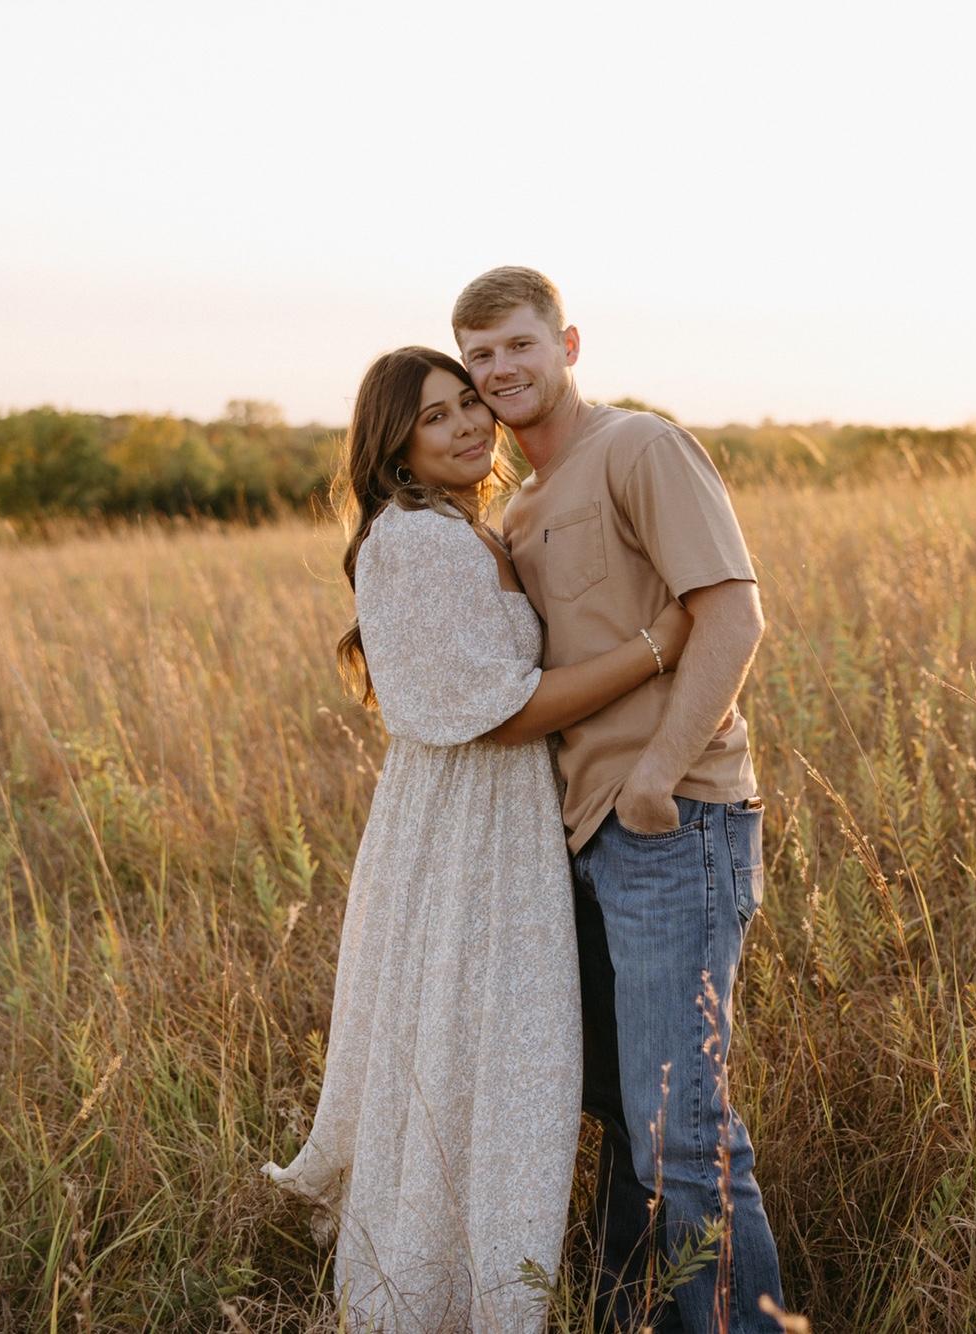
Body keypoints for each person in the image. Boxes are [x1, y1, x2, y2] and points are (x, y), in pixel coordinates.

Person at [261, 346, 694, 1333]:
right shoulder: (416, 540)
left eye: (468, 404)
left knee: (487, 1054)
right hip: (465, 832)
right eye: (435, 416)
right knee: (472, 1052)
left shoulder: (474, 530)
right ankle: (445, 1294)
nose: (465, 425)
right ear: (395, 446)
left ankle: (496, 1279)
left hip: (502, 825)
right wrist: (656, 646)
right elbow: (504, 713)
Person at [452, 269, 785, 1333]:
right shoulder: (519, 508)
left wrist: (654, 776)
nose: (499, 369)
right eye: (478, 356)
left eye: (518, 344)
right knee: (630, 1123)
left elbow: (730, 616)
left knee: (683, 1130)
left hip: (670, 822)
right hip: (584, 839)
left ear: (567, 344)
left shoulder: (638, 448)